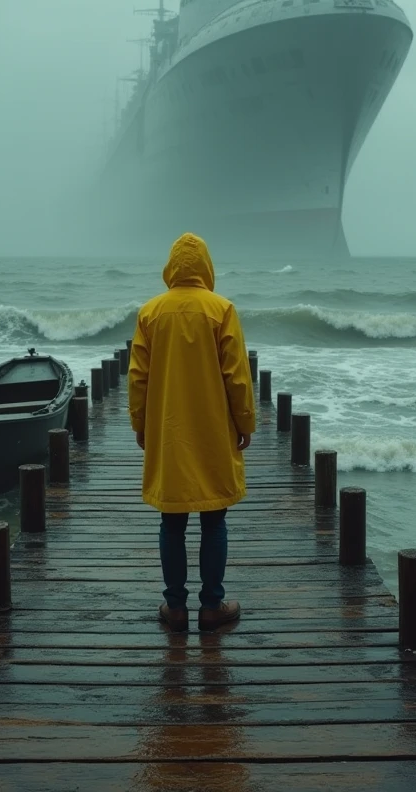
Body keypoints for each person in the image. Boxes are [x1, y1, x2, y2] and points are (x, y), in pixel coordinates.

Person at [128, 232, 255, 633]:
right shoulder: (221, 309)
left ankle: (176, 608)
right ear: (205, 267)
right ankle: (212, 606)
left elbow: (138, 378)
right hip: (213, 429)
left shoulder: (150, 313)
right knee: (214, 520)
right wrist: (245, 423)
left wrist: (139, 424)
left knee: (172, 521)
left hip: (168, 431)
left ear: (171, 267)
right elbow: (238, 377)